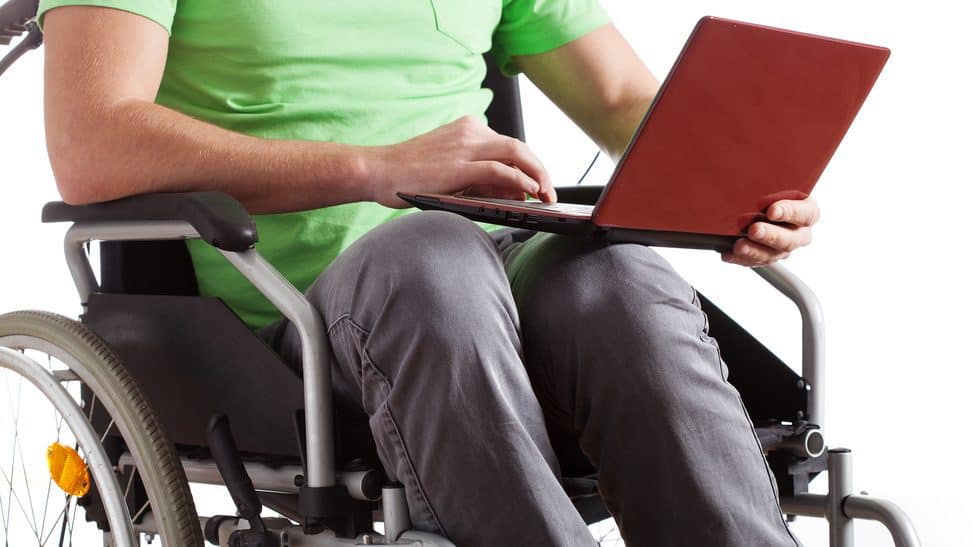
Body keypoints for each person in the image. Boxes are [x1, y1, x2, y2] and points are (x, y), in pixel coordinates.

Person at [38, 0, 817, 544]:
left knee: (610, 273)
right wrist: (373, 168)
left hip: (490, 286)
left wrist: (735, 189)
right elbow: (92, 139)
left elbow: (617, 96)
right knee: (432, 257)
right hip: (285, 334)